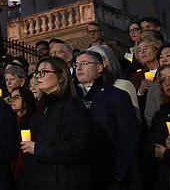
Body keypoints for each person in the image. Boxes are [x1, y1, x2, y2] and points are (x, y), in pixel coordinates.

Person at [19, 56, 92, 190]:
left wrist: (38, 148)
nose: (38, 77)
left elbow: (79, 147)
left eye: (44, 72)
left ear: (61, 77)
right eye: (37, 73)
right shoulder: (42, 109)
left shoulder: (72, 106)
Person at [74, 51, 139, 189]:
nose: (79, 68)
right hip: (81, 176)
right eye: (77, 64)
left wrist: (119, 173)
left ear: (99, 67)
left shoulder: (116, 96)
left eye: (85, 63)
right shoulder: (72, 100)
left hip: (111, 175)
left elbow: (128, 137)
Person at [147, 64, 170, 189]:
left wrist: (167, 153)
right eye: (163, 80)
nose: (168, 83)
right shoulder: (161, 114)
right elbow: (150, 145)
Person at [7, 87, 36, 182]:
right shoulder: (10, 121)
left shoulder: (35, 120)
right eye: (11, 98)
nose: (12, 100)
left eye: (16, 97)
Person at [146, 44, 170, 126]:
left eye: (168, 55)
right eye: (161, 57)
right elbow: (149, 115)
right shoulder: (155, 85)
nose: (163, 59)